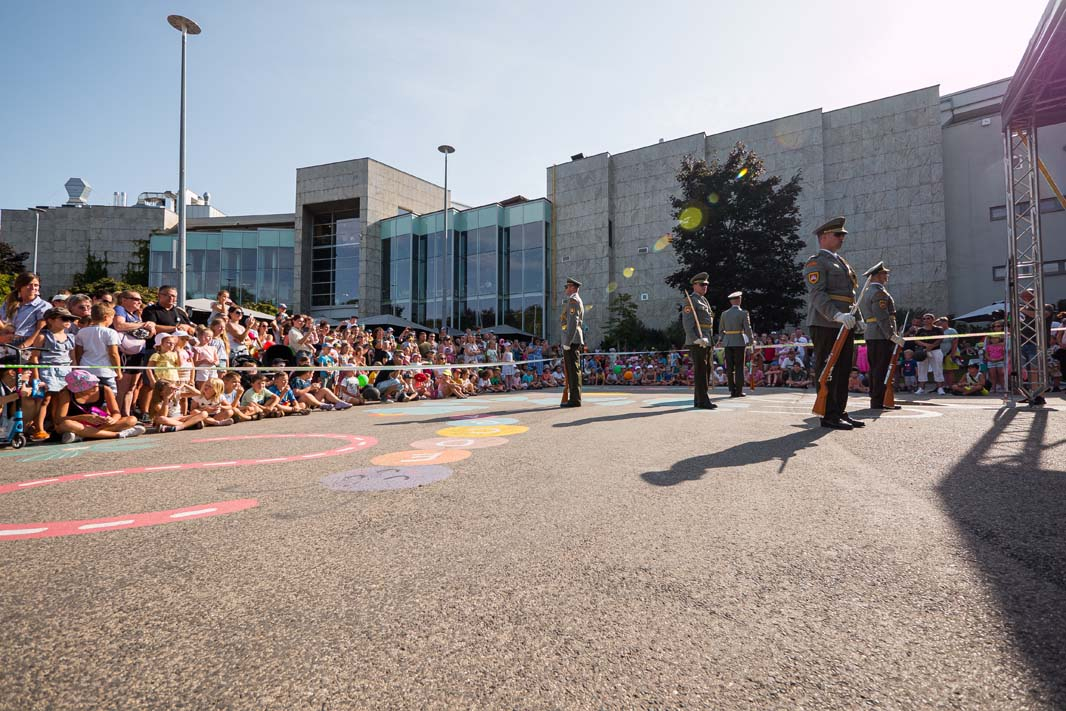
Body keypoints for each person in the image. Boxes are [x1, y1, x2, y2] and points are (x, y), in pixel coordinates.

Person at [803, 216, 864, 430]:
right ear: (824, 237)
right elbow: (817, 294)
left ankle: (839, 411)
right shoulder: (816, 262)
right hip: (826, 323)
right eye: (838, 234)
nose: (842, 238)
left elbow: (850, 296)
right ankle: (828, 414)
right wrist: (835, 315)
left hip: (845, 322)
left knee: (843, 369)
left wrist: (859, 319)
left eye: (842, 235)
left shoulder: (842, 262)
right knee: (827, 369)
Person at [858, 262, 905, 410]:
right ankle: (879, 400)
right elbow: (882, 317)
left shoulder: (869, 292)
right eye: (884, 273)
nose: (887, 275)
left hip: (874, 334)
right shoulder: (879, 293)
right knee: (881, 368)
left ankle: (878, 399)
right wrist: (891, 335)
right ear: (877, 276)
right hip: (881, 335)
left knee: (876, 368)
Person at [53, 369, 144, 443]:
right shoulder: (66, 393)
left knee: (131, 420)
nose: (96, 385)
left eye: (95, 382)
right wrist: (83, 417)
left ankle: (82, 436)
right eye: (91, 385)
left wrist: (112, 419)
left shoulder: (105, 389)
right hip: (78, 424)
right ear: (79, 389)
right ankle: (118, 434)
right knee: (67, 424)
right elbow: (59, 419)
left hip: (98, 425)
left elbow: (116, 412)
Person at [682, 272, 717, 409]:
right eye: (702, 284)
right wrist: (696, 339)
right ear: (695, 285)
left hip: (707, 339)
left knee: (706, 369)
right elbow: (687, 323)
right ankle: (703, 400)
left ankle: (699, 400)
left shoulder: (703, 300)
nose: (705, 287)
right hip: (698, 340)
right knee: (701, 370)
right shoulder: (690, 300)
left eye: (706, 285)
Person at [718, 290, 755, 398]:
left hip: (728, 342)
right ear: (739, 300)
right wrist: (751, 341)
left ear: (731, 301)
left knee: (729, 367)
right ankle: (739, 390)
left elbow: (721, 330)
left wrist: (724, 339)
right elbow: (747, 329)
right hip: (739, 341)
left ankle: (731, 390)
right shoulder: (743, 313)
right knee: (739, 367)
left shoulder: (724, 314)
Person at [2, 272, 50, 347]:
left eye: (36, 285)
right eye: (29, 284)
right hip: (5, 341)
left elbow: (40, 330)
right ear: (20, 286)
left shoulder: (43, 306)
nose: (33, 288)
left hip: (27, 343)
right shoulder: (9, 303)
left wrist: (24, 345)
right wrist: (5, 331)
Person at [559, 277, 584, 407]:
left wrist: (567, 342)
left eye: (567, 287)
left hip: (572, 340)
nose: (566, 289)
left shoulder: (573, 301)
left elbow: (573, 323)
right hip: (572, 339)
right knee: (572, 369)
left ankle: (574, 399)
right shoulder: (574, 300)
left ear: (573, 288)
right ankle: (574, 398)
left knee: (573, 370)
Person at [914, 313, 945, 394]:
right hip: (923, 351)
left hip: (936, 350)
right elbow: (916, 340)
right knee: (922, 369)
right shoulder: (920, 330)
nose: (926, 320)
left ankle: (940, 388)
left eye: (928, 318)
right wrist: (926, 345)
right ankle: (921, 388)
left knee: (938, 368)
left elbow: (940, 339)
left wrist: (932, 346)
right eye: (924, 319)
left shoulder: (938, 329)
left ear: (932, 319)